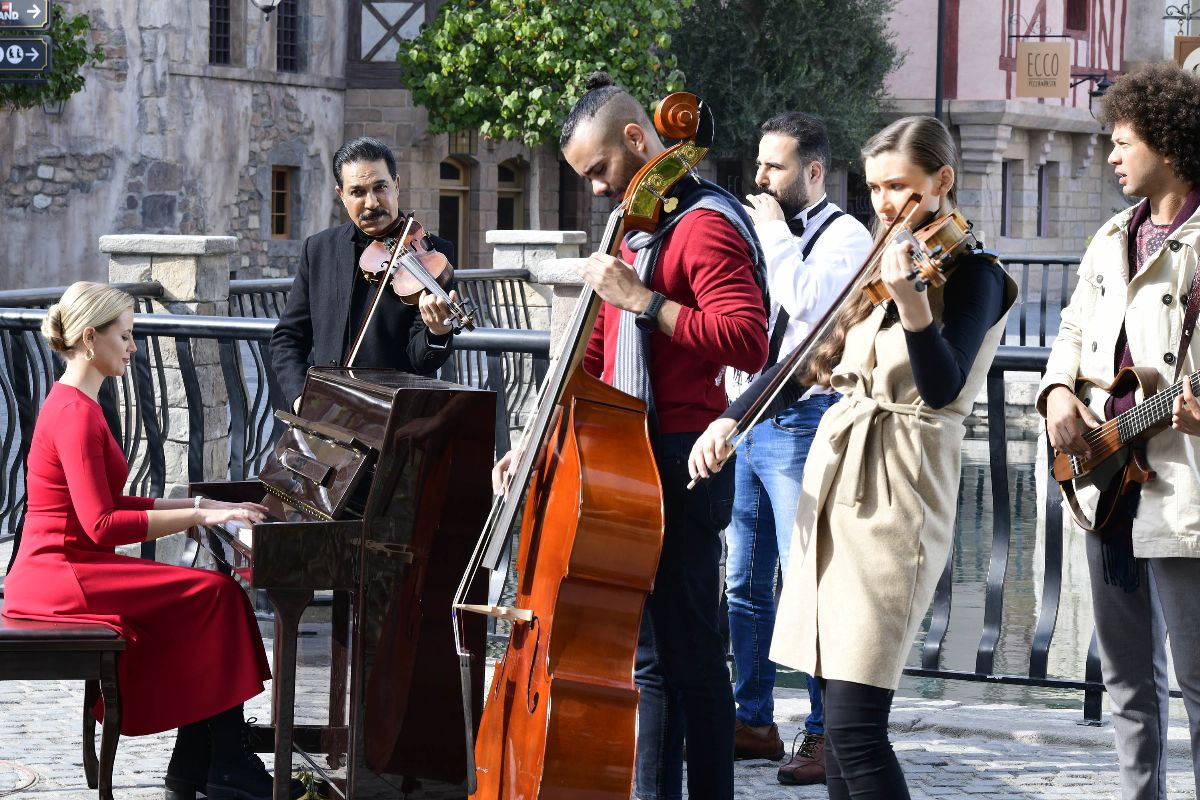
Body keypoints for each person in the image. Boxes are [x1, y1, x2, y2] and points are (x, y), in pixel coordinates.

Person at [690, 115, 1016, 799]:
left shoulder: (975, 273)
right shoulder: (882, 260)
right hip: (835, 488)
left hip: (900, 488)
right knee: (839, 724)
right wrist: (731, 418)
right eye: (874, 189)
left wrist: (913, 303)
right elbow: (808, 363)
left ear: (943, 181)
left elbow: (942, 384)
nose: (887, 203)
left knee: (857, 724)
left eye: (900, 186)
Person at [496, 72, 768, 800]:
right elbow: (590, 352)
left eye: (598, 172)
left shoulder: (705, 222)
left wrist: (645, 300)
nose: (593, 191)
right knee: (651, 657)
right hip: (629, 454)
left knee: (693, 658)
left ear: (637, 139)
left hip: (682, 457)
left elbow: (747, 339)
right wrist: (535, 437)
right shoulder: (637, 225)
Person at [1, 282, 301, 800]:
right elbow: (102, 525)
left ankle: (197, 763)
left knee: (209, 600)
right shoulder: (75, 414)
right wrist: (197, 517)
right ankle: (225, 762)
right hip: (60, 576)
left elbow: (114, 506)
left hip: (65, 568)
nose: (134, 347)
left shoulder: (76, 403)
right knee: (217, 596)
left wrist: (207, 509)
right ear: (91, 339)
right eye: (127, 335)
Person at [1039, 63, 1200, 799]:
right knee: (1127, 679)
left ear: (1166, 142)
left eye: (1123, 140)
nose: (1110, 154)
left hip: (1185, 491)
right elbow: (1072, 327)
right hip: (1108, 483)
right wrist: (1055, 394)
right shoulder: (1111, 235)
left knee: (1198, 680)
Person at [723, 111, 872, 783]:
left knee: (807, 582)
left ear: (813, 171)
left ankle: (823, 735)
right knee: (743, 581)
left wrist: (776, 236)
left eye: (774, 166)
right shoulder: (765, 231)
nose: (759, 178)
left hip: (803, 421)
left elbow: (808, 303)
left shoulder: (846, 236)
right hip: (749, 420)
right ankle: (753, 719)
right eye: (758, 164)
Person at [271, 136, 459, 412]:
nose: (372, 203)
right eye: (358, 192)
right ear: (341, 195)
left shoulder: (431, 254)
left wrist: (437, 331)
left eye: (380, 187)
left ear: (396, 185)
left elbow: (421, 361)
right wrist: (301, 397)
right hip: (324, 413)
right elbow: (288, 337)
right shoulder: (318, 248)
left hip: (390, 415)